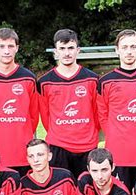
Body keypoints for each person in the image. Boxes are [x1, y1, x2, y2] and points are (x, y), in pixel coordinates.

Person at [97, 29, 136, 191]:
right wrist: (115, 134)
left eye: (133, 47)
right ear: (117, 50)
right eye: (124, 47)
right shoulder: (105, 81)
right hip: (119, 153)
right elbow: (102, 115)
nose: (129, 51)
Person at [0, 28, 39, 177]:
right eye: (2, 46)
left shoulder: (28, 78)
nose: (6, 51)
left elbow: (33, 116)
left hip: (22, 153)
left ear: (17, 48)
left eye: (11, 46)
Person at [38, 29, 99, 178]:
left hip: (87, 146)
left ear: (78, 50)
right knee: (61, 193)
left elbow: (98, 113)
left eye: (71, 48)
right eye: (62, 48)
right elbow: (45, 116)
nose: (67, 53)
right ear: (55, 52)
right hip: (59, 147)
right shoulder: (45, 82)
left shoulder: (92, 79)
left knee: (87, 193)